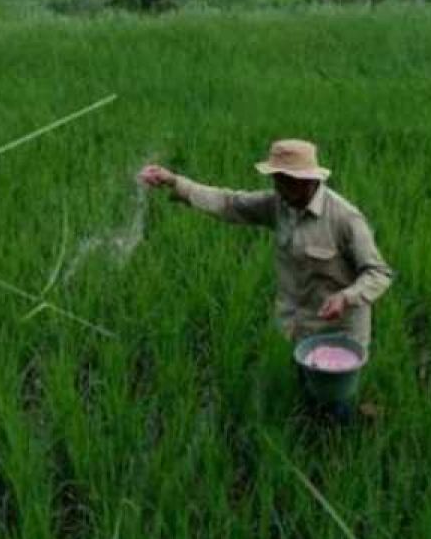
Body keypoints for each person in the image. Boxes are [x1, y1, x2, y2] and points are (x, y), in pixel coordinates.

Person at [138, 139, 394, 420]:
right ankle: (311, 435)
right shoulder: (280, 204)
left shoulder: (345, 218)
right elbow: (229, 203)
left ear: (307, 180)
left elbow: (378, 272)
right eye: (275, 179)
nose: (278, 188)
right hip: (301, 324)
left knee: (335, 404)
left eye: (284, 180)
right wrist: (174, 181)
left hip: (340, 330)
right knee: (306, 394)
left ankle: (341, 449)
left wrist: (346, 297)